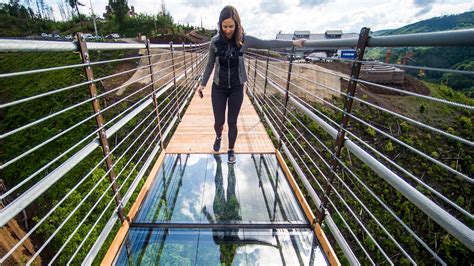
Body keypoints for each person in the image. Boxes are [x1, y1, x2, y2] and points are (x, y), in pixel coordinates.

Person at [197, 5, 305, 164]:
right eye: (224, 26)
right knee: (219, 121)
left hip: (236, 87)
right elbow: (210, 64)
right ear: (220, 25)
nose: (228, 30)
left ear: (237, 25)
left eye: (231, 26)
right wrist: (202, 83)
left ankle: (231, 149)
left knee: (232, 121)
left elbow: (268, 44)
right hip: (218, 88)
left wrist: (293, 43)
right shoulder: (214, 42)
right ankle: (218, 136)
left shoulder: (244, 40)